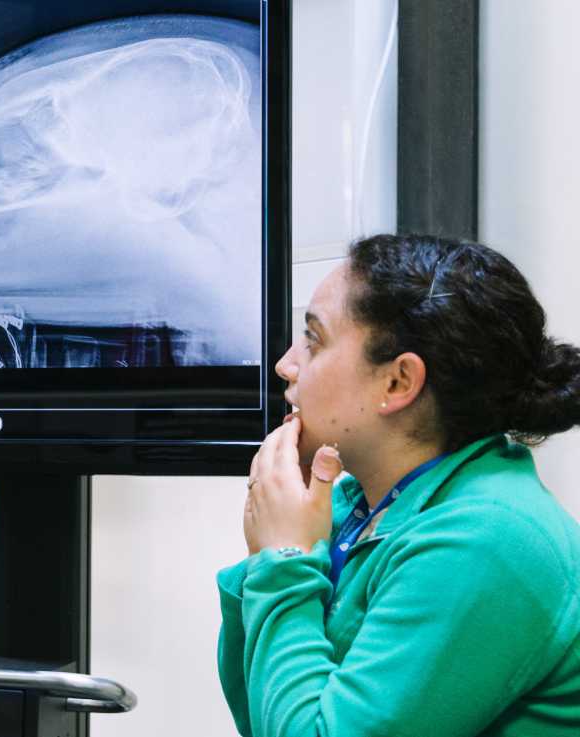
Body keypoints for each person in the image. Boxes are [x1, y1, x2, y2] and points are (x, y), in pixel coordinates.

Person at [218, 234, 580, 736]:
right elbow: (264, 715)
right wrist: (272, 554)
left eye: (314, 339)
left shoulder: (485, 539)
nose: (286, 365)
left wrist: (283, 561)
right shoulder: (357, 507)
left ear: (398, 382)